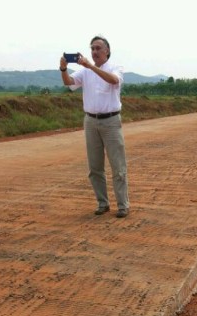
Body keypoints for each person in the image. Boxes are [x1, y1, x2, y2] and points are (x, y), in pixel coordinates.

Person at [60, 35, 130, 218]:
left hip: (111, 122)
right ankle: (102, 203)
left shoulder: (115, 68)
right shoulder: (85, 72)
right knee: (95, 167)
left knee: (118, 166)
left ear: (107, 51)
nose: (94, 52)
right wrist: (63, 68)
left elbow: (114, 81)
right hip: (90, 121)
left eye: (98, 48)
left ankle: (123, 205)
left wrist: (90, 66)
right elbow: (68, 83)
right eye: (92, 48)